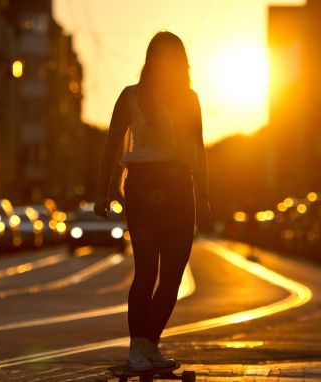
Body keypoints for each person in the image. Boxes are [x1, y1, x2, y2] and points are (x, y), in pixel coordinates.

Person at [94, 31, 211, 371]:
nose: (165, 63)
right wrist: (102, 190)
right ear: (149, 60)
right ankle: (136, 349)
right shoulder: (129, 97)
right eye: (159, 56)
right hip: (142, 187)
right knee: (146, 271)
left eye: (172, 57)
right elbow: (111, 145)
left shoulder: (189, 99)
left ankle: (150, 345)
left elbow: (198, 150)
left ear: (181, 63)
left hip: (179, 188)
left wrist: (204, 195)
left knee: (173, 275)